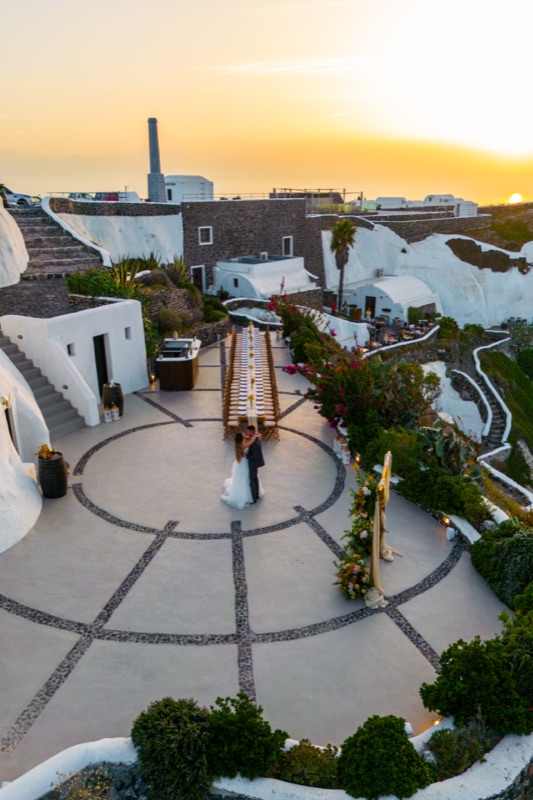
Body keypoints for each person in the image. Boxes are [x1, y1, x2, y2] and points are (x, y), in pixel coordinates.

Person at [246, 425, 265, 503]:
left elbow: (254, 455)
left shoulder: (254, 443)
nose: (247, 433)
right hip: (256, 463)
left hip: (253, 463)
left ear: (251, 431)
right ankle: (256, 494)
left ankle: (254, 498)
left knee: (252, 480)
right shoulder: (256, 438)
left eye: (248, 431)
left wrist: (246, 455)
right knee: (255, 478)